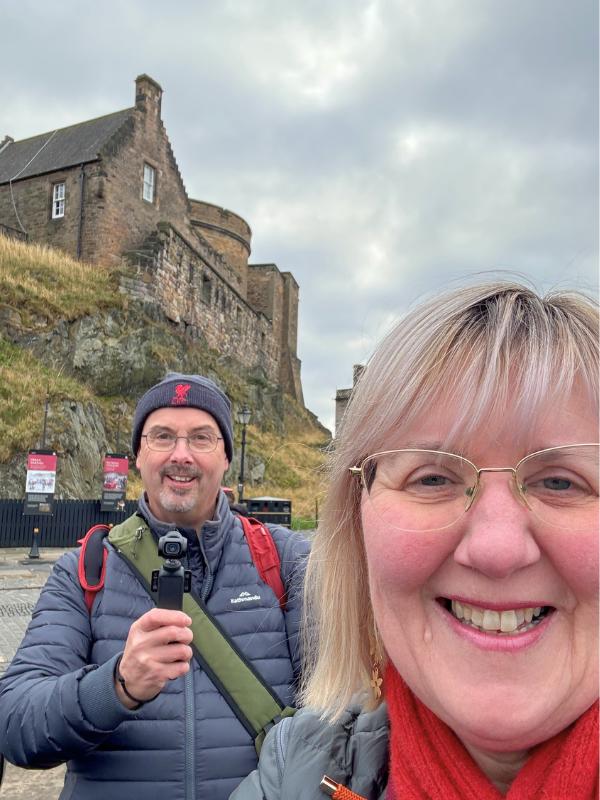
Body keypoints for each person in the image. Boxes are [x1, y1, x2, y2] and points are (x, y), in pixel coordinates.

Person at [232, 281, 599, 799]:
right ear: (356, 523)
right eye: (432, 479)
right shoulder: (292, 776)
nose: (497, 550)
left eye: (560, 482)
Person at [0, 373, 310, 800]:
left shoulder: (286, 560)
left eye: (201, 438)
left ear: (226, 458)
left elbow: (340, 715)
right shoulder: (85, 571)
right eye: (162, 436)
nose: (181, 455)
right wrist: (116, 686)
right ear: (139, 456)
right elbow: (16, 724)